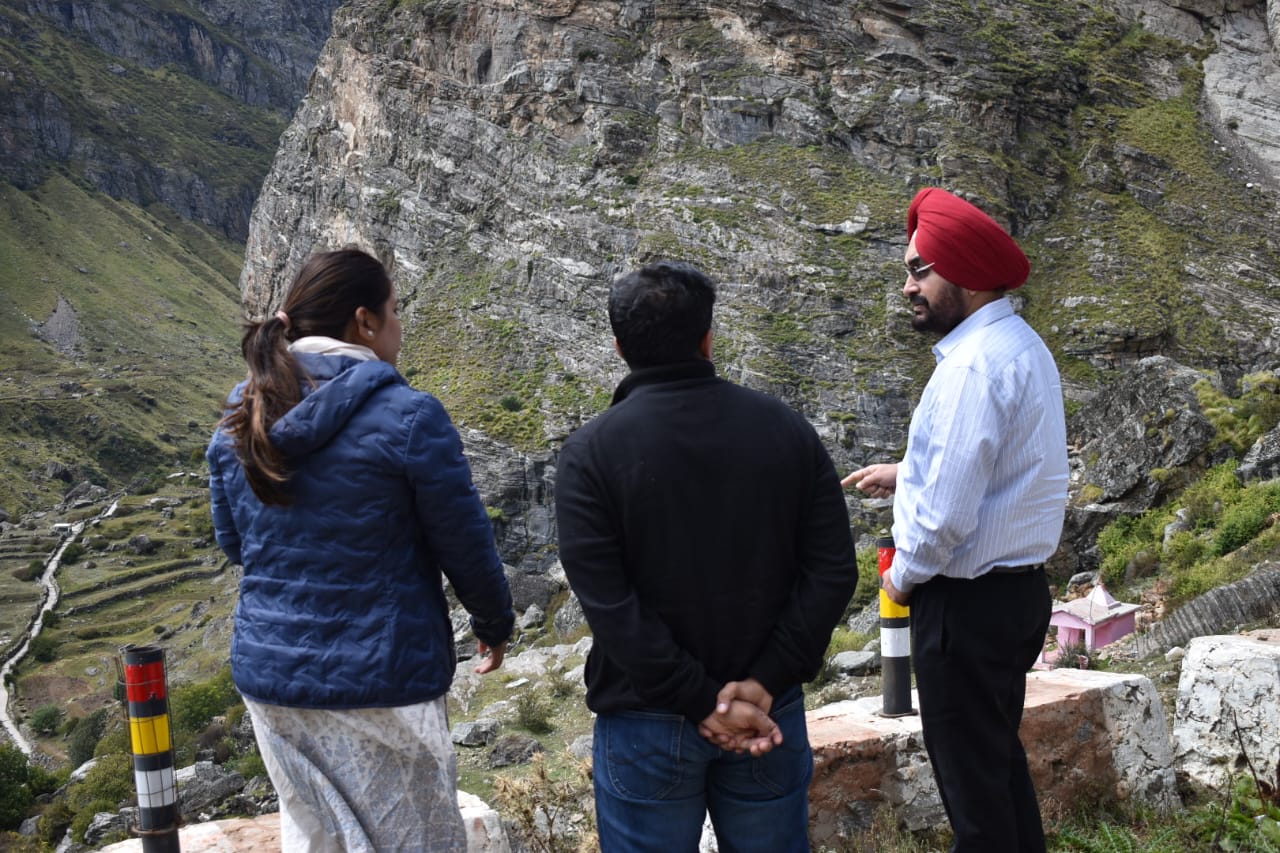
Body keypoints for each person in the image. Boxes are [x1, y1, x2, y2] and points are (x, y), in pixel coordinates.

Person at [206, 248, 515, 852]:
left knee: (315, 839)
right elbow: (464, 541)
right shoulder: (409, 416)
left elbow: (235, 544)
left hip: (272, 680)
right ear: (365, 321)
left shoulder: (242, 416)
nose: (400, 326)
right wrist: (494, 623)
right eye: (394, 311)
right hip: (382, 676)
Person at [555, 260, 858, 852]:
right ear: (707, 338)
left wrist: (701, 701)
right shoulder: (787, 430)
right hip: (768, 715)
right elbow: (831, 571)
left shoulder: (590, 453)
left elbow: (611, 605)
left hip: (645, 722)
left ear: (619, 348)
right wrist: (766, 680)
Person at [844, 188, 1069, 853]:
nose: (907, 286)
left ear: (966, 275)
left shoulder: (970, 367)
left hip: (964, 607)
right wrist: (908, 471)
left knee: (974, 800)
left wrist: (902, 579)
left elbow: (944, 518)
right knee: (996, 769)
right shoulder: (1020, 344)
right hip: (1015, 594)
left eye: (920, 270)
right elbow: (998, 464)